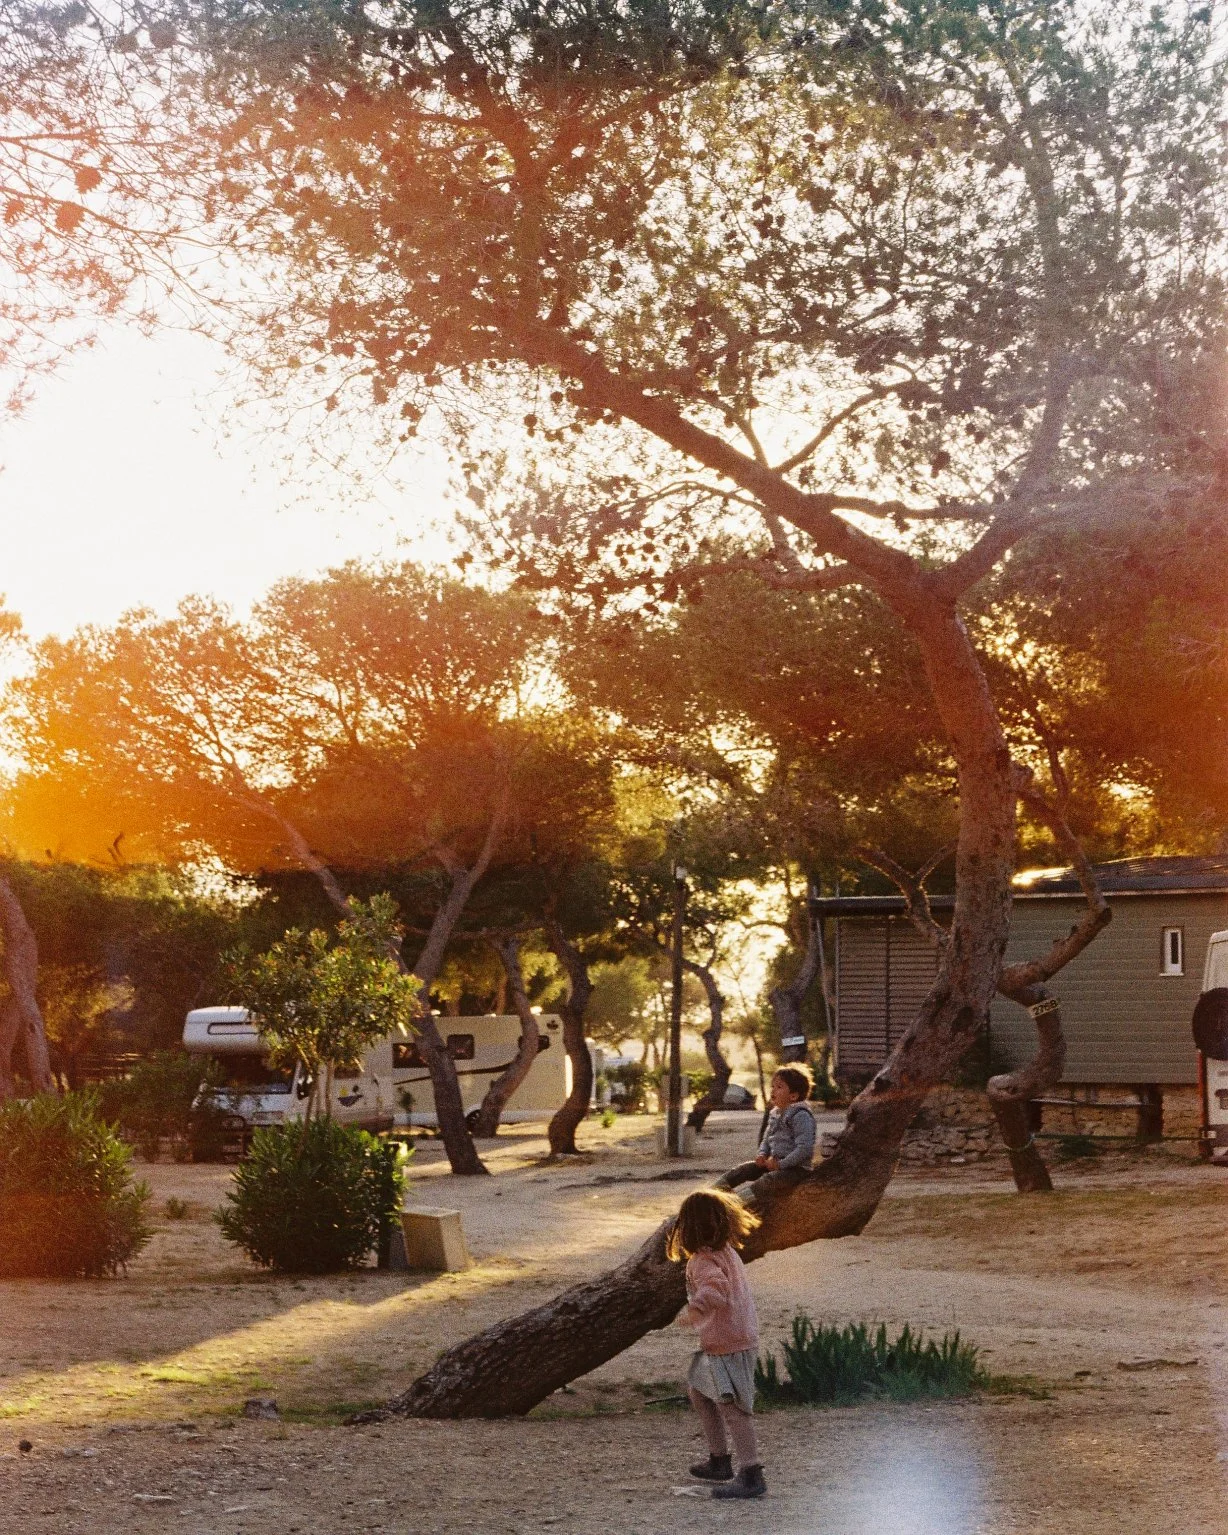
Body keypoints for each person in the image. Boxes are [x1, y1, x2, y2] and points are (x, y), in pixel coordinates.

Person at [667, 1188, 767, 1500]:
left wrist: (695, 1309)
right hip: (728, 1339)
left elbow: (716, 1290)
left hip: (728, 1343)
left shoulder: (702, 1262)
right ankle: (719, 1460)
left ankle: (751, 1473)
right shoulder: (727, 1253)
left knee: (733, 1407)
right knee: (699, 1392)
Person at [716, 1064, 816, 1196]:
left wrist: (781, 1164)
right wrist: (762, 1154)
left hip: (796, 1170)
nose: (773, 1091)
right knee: (745, 1169)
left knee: (768, 1181)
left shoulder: (801, 1115)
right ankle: (711, 1192)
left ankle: (738, 1201)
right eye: (772, 1086)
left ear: (793, 1096)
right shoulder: (775, 1114)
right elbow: (767, 1139)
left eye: (779, 1087)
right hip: (775, 1165)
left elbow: (804, 1148)